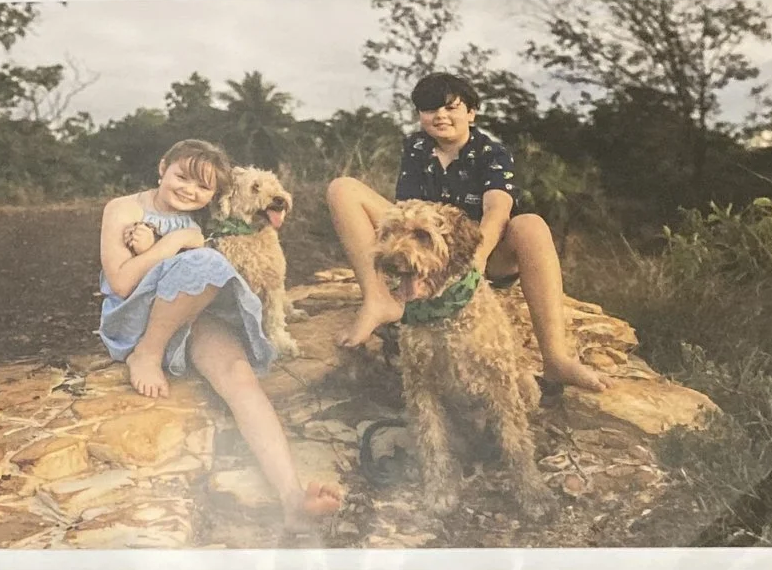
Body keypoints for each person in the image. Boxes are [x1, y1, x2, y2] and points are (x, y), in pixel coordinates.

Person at [100, 139, 342, 524]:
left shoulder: (199, 220)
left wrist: (187, 242)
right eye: (181, 176)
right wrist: (173, 243)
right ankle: (148, 353)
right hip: (139, 319)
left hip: (190, 315)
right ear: (163, 167)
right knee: (208, 261)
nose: (189, 191)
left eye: (203, 188)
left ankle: (292, 497)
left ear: (216, 195)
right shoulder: (126, 209)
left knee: (239, 377)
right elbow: (121, 283)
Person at [329, 73, 609, 390]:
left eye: (451, 108)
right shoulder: (417, 147)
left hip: (485, 254)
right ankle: (380, 300)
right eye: (429, 109)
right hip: (429, 250)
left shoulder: (492, 153)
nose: (440, 116)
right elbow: (407, 208)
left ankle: (556, 358)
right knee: (343, 189)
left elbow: (497, 210)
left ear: (471, 113)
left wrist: (475, 258)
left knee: (530, 224)